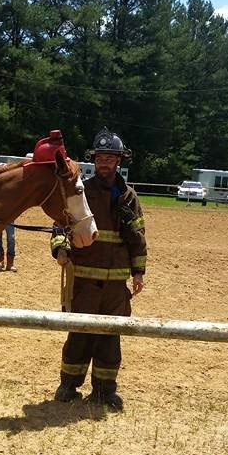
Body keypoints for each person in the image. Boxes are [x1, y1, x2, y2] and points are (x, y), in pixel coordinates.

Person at [50, 128, 147, 412]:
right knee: (79, 335)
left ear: (119, 161)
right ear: (95, 160)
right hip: (85, 280)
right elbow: (60, 224)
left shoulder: (128, 196)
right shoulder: (83, 191)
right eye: (101, 158)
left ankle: (105, 390)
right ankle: (69, 385)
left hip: (117, 284)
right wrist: (60, 248)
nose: (104, 163)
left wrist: (138, 272)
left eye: (110, 158)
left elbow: (139, 236)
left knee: (110, 338)